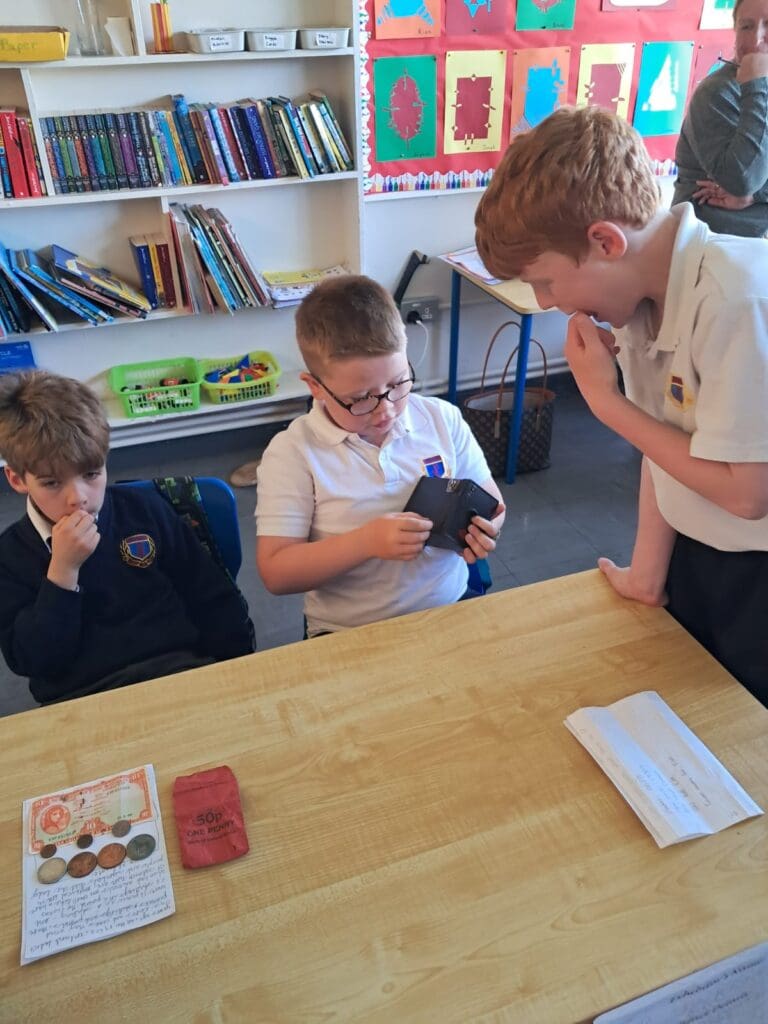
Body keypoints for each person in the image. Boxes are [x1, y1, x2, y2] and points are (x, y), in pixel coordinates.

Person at [475, 105, 768, 706]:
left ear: (606, 241)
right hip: (699, 549)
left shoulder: (737, 302)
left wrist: (607, 404)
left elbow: (747, 494)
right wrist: (647, 575)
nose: (547, 302)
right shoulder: (638, 298)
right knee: (691, 709)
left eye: (546, 282)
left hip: (756, 573)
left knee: (744, 730)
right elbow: (662, 447)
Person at [255, 274, 505, 637]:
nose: (385, 410)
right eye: (360, 398)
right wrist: (365, 542)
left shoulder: (440, 418)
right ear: (315, 387)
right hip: (347, 630)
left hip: (449, 603)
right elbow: (277, 573)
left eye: (398, 383)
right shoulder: (293, 453)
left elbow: (491, 501)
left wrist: (484, 528)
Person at [0, 371, 255, 704]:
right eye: (51, 483)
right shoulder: (10, 556)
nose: (78, 498)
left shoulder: (145, 510)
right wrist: (62, 574)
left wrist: (236, 676)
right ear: (17, 480)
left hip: (178, 671)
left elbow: (213, 598)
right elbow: (33, 659)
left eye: (91, 474)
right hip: (83, 697)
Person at [673, 0, 768, 237]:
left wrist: (756, 196)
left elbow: (748, 188)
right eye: (746, 26)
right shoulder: (716, 92)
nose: (756, 40)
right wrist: (757, 86)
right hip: (712, 240)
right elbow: (742, 179)